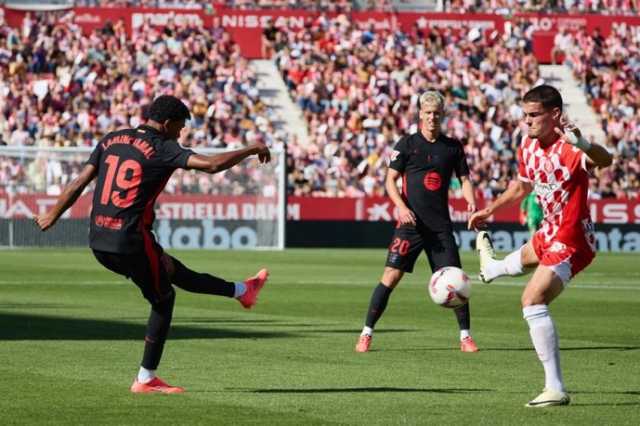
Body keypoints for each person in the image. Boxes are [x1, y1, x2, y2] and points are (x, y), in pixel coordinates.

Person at [35, 95, 272, 394]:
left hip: (98, 238)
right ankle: (146, 379)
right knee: (163, 299)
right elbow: (211, 165)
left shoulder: (113, 139)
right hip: (130, 239)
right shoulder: (163, 147)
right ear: (167, 123)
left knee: (169, 267)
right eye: (180, 127)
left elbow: (79, 182)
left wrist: (52, 215)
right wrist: (252, 148)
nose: (181, 134)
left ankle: (242, 291)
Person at [468, 85, 612, 407]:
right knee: (523, 259)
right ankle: (491, 268)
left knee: (532, 299)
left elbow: (607, 159)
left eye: (534, 115)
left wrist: (584, 143)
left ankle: (555, 388)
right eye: (525, 115)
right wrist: (490, 209)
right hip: (550, 229)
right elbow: (522, 185)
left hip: (572, 237)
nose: (527, 121)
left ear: (555, 115)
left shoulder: (571, 149)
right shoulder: (528, 146)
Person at [355, 91, 478, 354]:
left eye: (436, 113)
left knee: (457, 280)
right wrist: (400, 207)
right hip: (410, 225)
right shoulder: (407, 144)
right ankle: (366, 333)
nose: (432, 117)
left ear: (442, 115)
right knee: (390, 276)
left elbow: (465, 179)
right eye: (427, 112)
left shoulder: (453, 147)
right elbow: (389, 181)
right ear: (420, 114)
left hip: (440, 227)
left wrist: (471, 203)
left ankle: (465, 338)